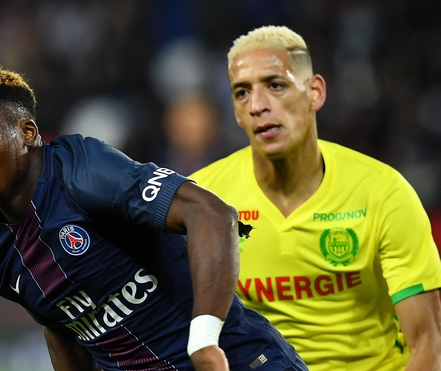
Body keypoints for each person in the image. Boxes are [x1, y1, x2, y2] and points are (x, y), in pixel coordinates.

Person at [0, 67, 307, 371]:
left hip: (238, 363)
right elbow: (61, 326)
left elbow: (211, 213)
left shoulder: (80, 171)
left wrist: (205, 341)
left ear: (26, 133)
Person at [189, 26, 441, 371]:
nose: (258, 106)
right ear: (235, 111)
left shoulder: (382, 192)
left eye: (276, 85)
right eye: (242, 93)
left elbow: (428, 345)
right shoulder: (203, 200)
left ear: (315, 92)